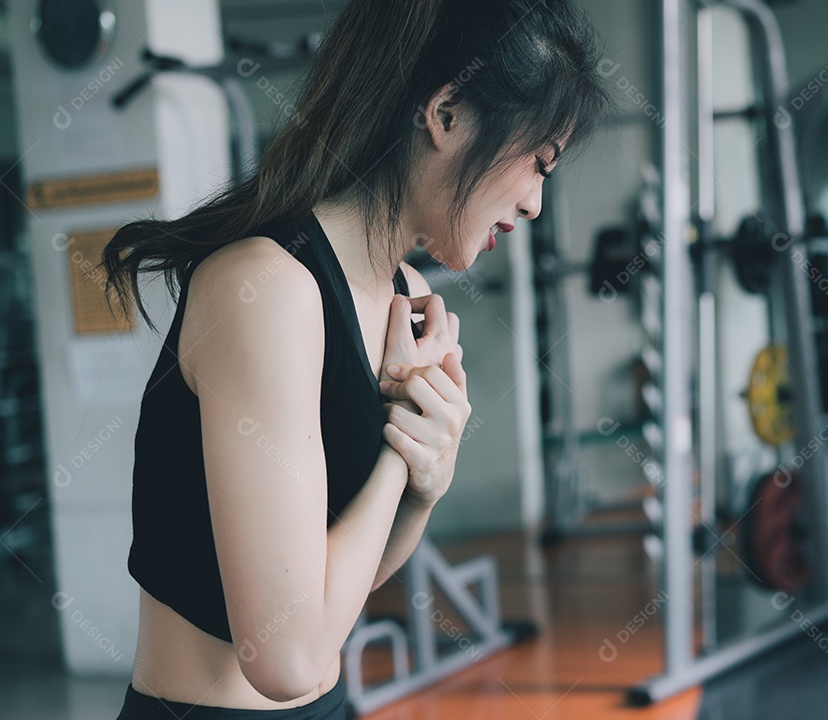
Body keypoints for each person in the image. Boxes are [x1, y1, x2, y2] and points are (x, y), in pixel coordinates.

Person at [98, 0, 613, 717]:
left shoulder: (406, 293)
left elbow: (345, 584)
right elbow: (285, 656)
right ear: (447, 114)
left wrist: (425, 485)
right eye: (539, 164)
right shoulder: (265, 290)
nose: (533, 204)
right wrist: (403, 455)